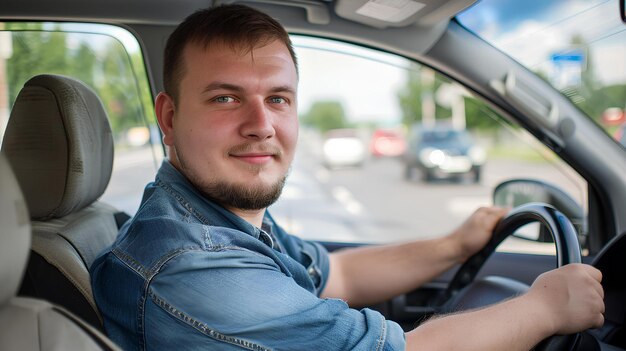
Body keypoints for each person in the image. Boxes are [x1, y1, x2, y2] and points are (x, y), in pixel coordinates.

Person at [91, 4, 604, 350]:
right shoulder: (189, 262)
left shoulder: (214, 221)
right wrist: (548, 307)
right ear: (169, 117)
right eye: (225, 98)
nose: (260, 125)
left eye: (278, 99)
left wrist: (453, 245)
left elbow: (342, 275)